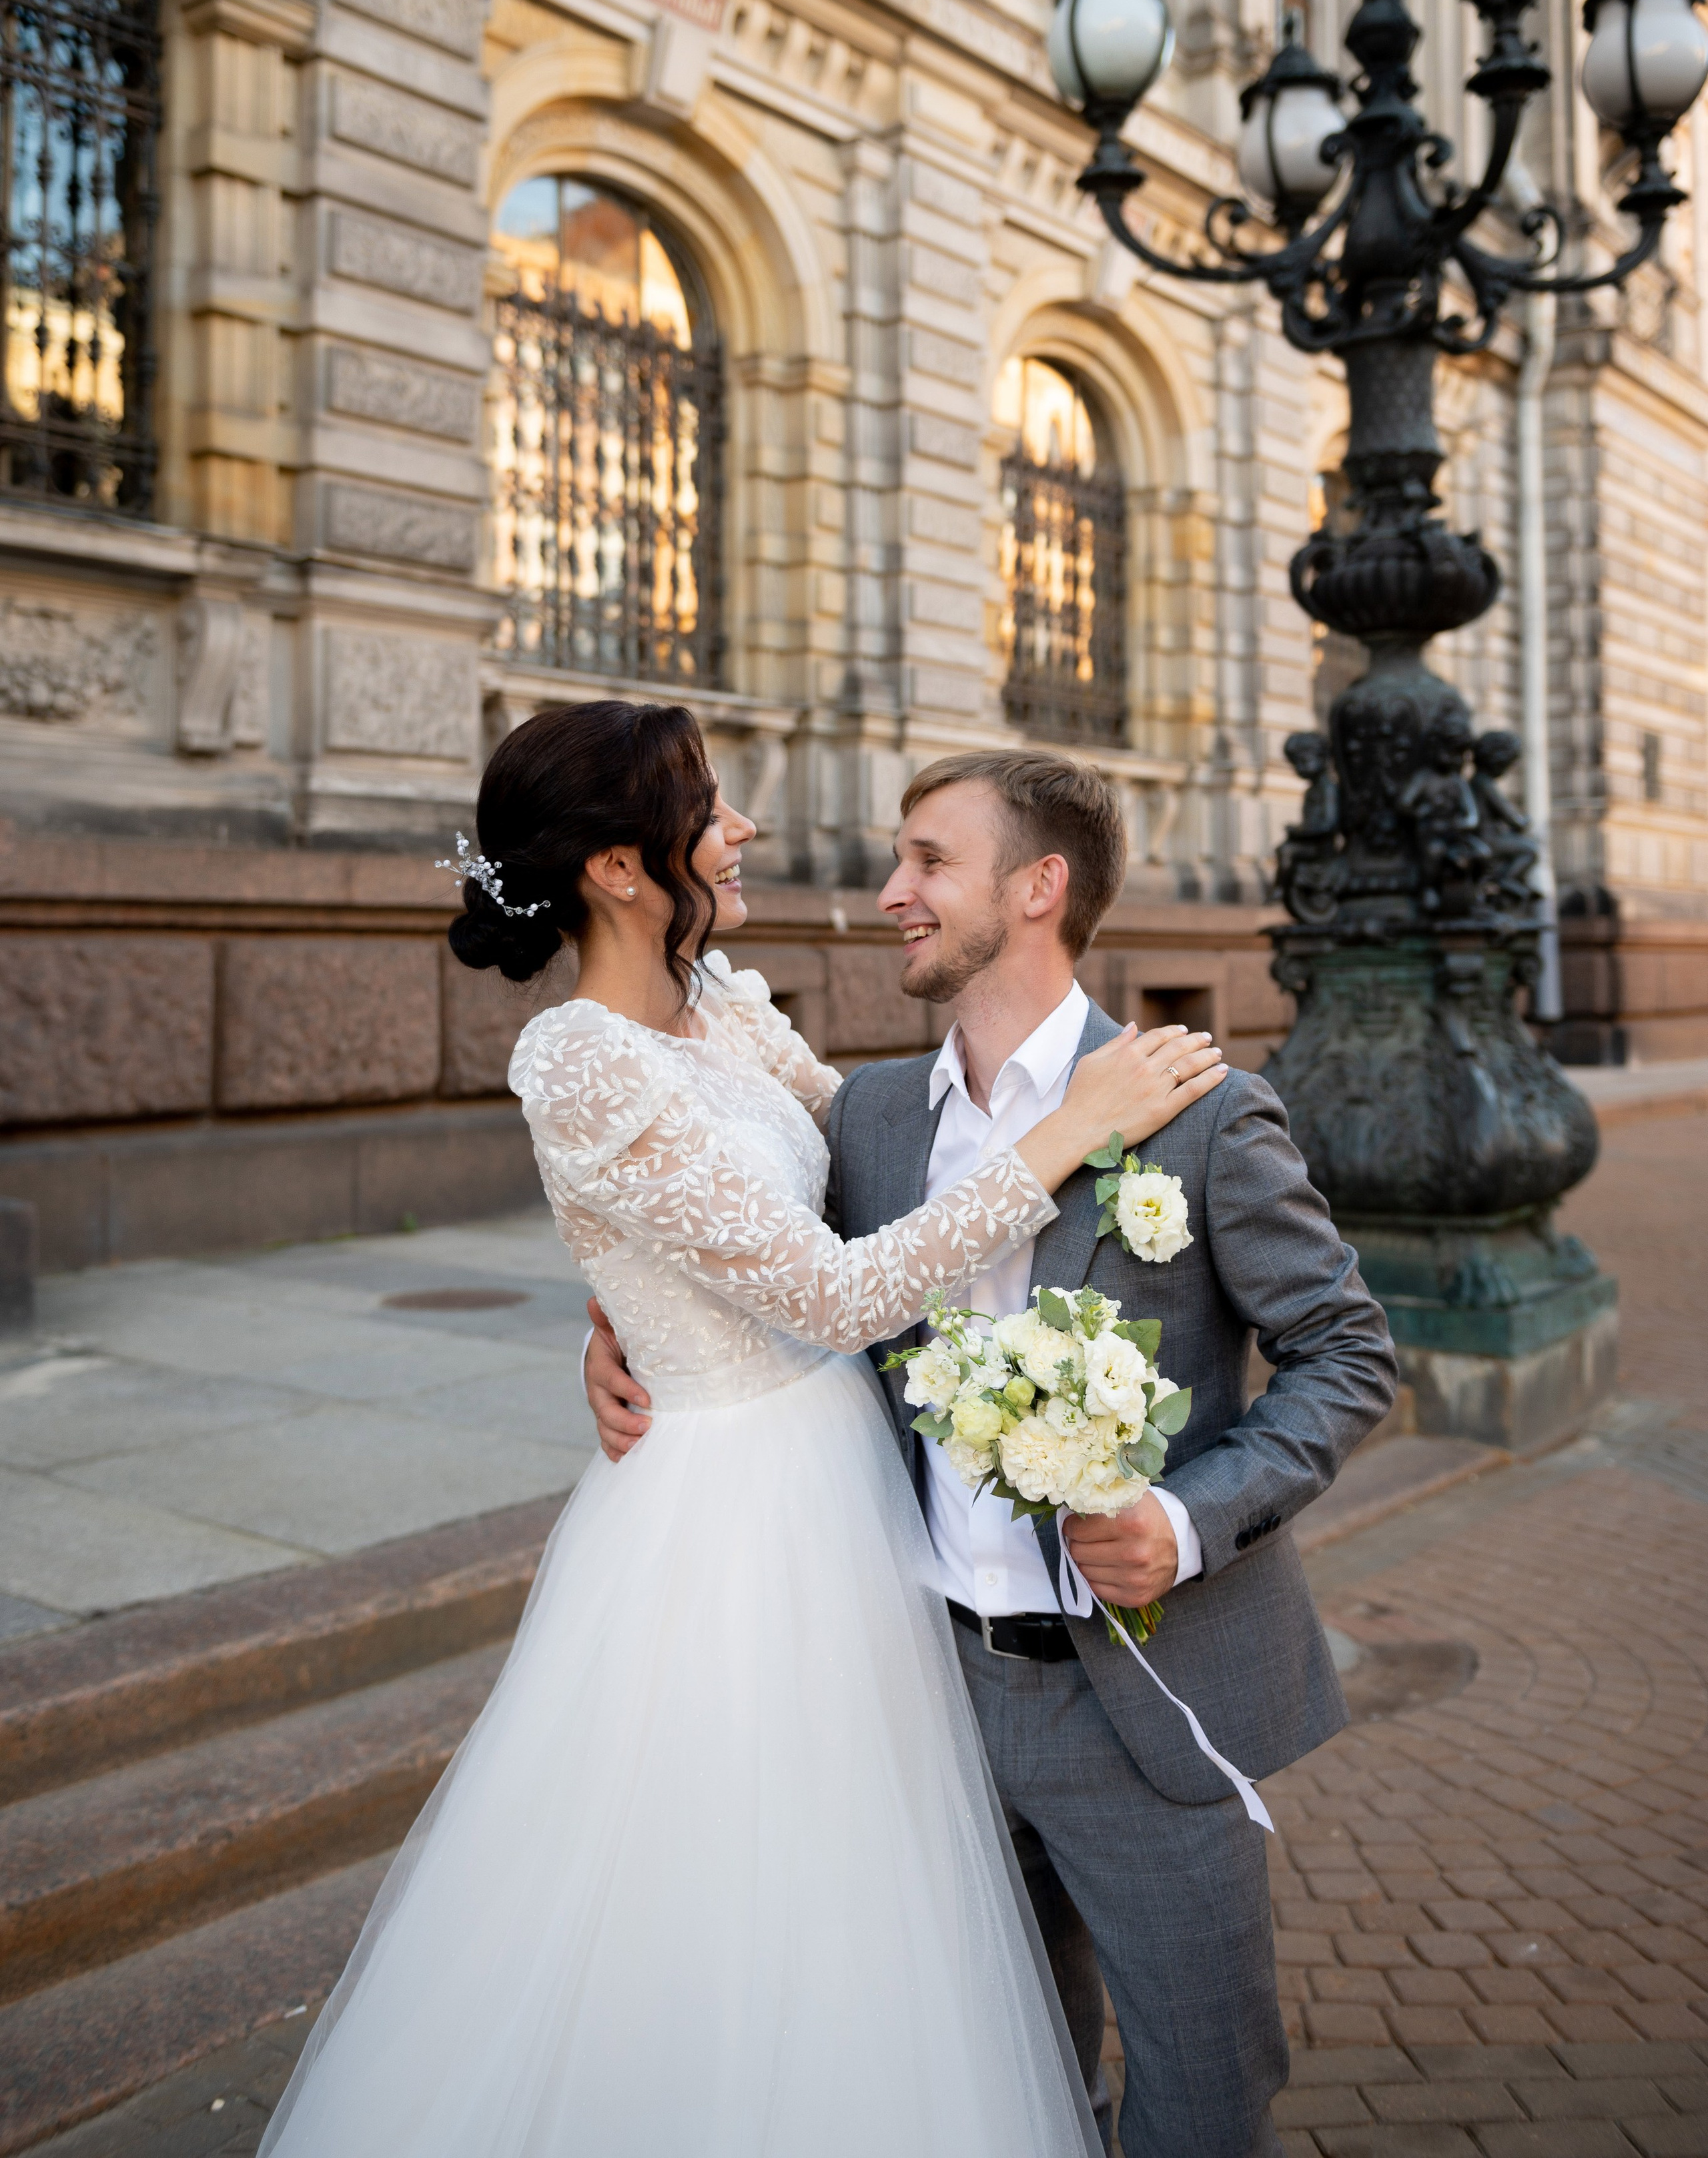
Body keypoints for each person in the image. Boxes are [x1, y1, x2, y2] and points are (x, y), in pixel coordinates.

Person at [258, 701, 1227, 2158]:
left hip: (848, 1482)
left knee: (880, 1894)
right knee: (731, 1894)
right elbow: (836, 1292)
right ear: (619, 869)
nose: (742, 826)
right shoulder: (579, 1061)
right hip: (727, 1517)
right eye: (706, 804)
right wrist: (1067, 1126)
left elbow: (871, 1163)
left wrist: (623, 1307)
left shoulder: (723, 1004)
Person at [588, 748, 1398, 2158]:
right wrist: (615, 1327)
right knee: (1002, 2095)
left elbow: (1347, 1355)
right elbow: (771, 1269)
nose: (888, 893)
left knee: (1203, 2097)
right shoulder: (872, 1121)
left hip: (1143, 1698)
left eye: (924, 861)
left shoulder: (1199, 1109)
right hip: (924, 1699)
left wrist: (1188, 1515)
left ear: (1038, 887)